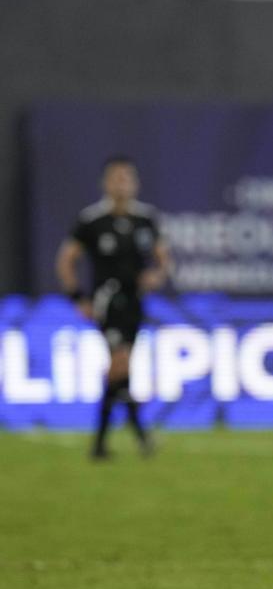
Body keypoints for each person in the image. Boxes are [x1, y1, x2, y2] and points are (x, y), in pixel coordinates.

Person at [55, 156, 170, 460]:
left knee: (122, 369)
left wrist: (156, 275)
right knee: (119, 362)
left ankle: (102, 446)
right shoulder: (92, 220)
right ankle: (140, 437)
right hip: (106, 300)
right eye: (116, 178)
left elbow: (163, 259)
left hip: (134, 302)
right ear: (105, 183)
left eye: (126, 178)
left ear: (135, 183)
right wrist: (78, 297)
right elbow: (66, 260)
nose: (121, 184)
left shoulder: (146, 219)